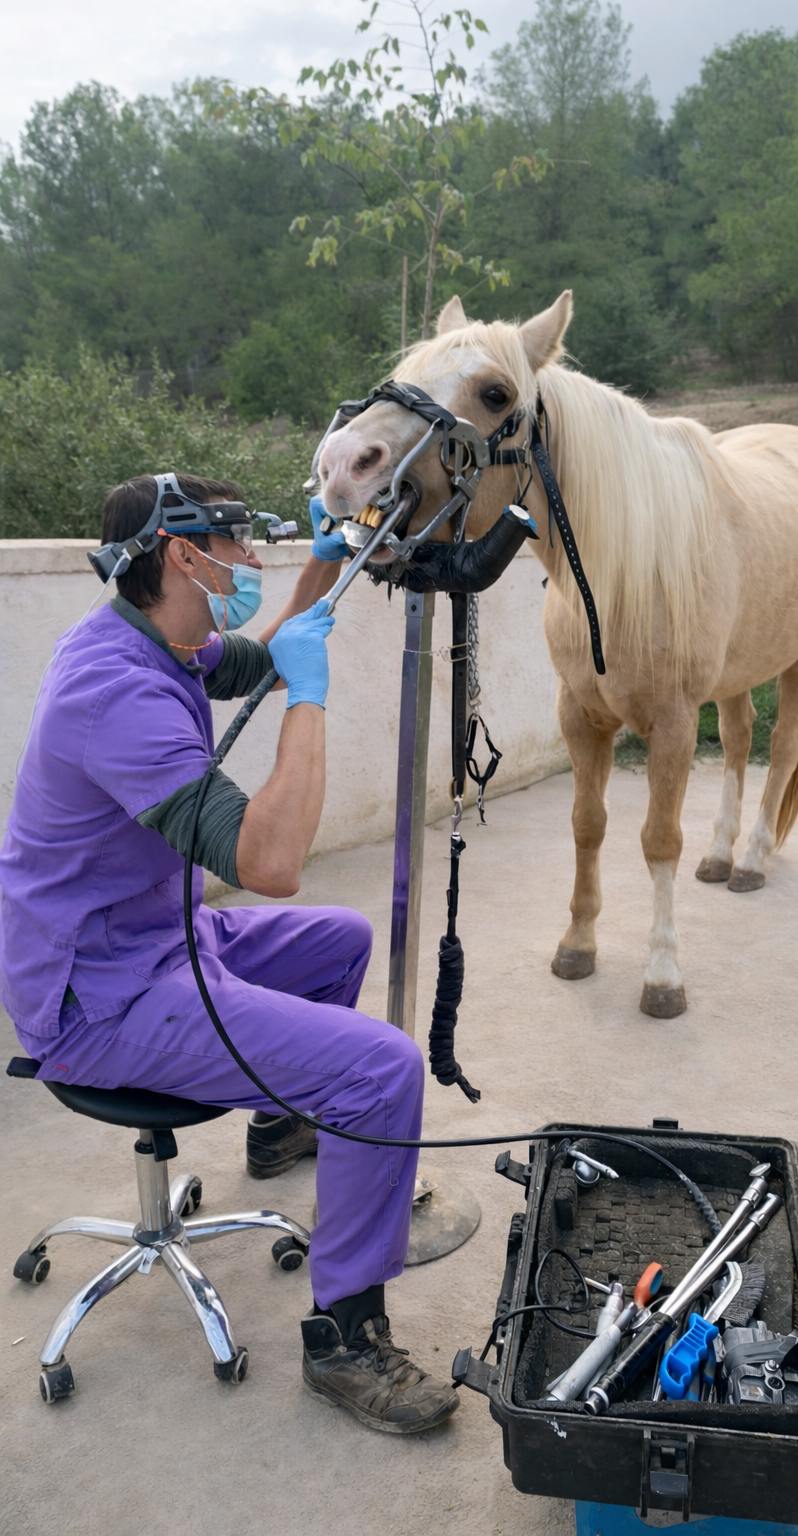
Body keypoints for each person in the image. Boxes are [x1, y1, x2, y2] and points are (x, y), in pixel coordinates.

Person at [0, 472, 459, 1434]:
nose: (252, 563)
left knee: (344, 940)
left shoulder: (150, 632)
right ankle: (346, 1339)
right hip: (100, 996)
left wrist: (325, 571)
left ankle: (283, 1126)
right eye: (238, 547)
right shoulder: (114, 692)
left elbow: (252, 656)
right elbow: (272, 860)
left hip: (158, 934)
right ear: (182, 553)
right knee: (382, 1069)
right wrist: (313, 699)